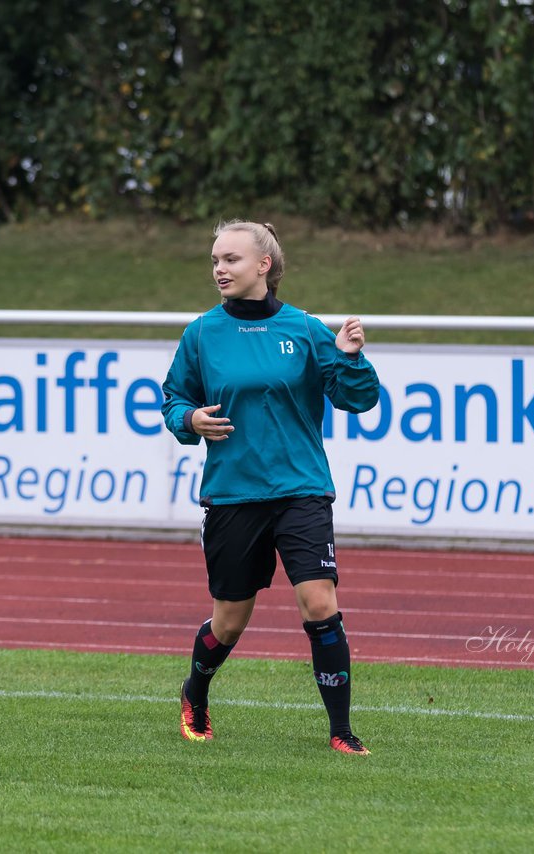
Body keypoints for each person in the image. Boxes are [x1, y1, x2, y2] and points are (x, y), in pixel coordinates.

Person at [161, 220, 381, 755]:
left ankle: (342, 732)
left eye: (231, 259)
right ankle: (196, 690)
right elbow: (172, 401)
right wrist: (190, 421)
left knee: (319, 601)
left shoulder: (305, 330)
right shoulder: (201, 333)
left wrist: (350, 357)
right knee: (230, 621)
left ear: (264, 265)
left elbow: (359, 399)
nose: (219, 269)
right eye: (215, 260)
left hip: (300, 488)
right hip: (234, 494)